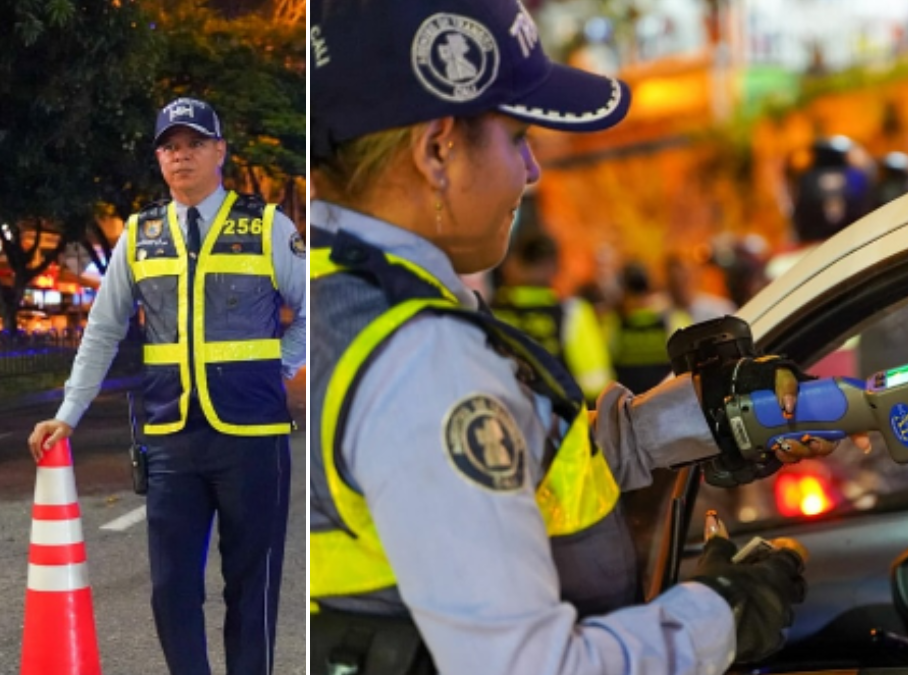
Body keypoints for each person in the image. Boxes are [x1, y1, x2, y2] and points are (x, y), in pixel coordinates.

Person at [309, 0, 847, 672]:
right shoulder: (423, 360)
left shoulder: (344, 292)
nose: (532, 172)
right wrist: (721, 611)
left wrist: (698, 414)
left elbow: (532, 472)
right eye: (517, 138)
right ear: (437, 149)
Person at [28, 97, 306, 675]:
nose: (181, 157)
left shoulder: (266, 225)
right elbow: (103, 329)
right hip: (171, 438)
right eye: (169, 147)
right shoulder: (140, 233)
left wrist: (277, 368)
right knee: (170, 588)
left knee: (251, 588)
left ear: (220, 151)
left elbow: (315, 307)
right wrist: (69, 412)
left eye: (194, 144)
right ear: (159, 159)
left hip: (253, 436)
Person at [490, 230, 614, 404]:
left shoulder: (487, 312)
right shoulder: (573, 313)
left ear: (512, 264)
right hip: (559, 424)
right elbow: (596, 383)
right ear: (554, 267)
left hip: (501, 421)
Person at [605, 261, 692, 394]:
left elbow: (604, 361)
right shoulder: (673, 317)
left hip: (628, 404)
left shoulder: (613, 323)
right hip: (666, 399)